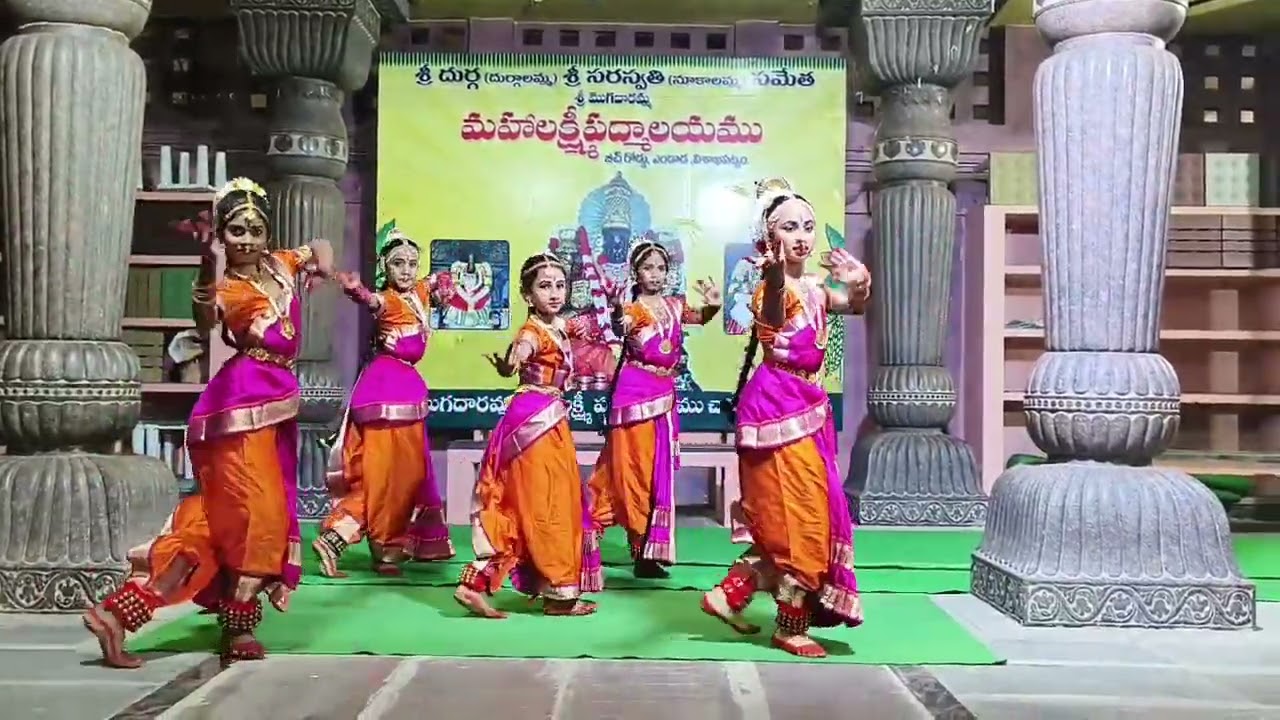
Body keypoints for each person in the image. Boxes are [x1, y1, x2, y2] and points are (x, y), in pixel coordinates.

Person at [82, 177, 336, 668]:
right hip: (238, 412)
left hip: (274, 411)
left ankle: (126, 616)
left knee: (227, 526)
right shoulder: (225, 288)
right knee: (256, 522)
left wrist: (322, 266)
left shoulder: (282, 265)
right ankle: (231, 627)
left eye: (255, 229)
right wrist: (204, 271)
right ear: (221, 234)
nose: (246, 239)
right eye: (236, 230)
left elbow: (322, 245)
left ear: (268, 233)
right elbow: (203, 318)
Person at [700, 178, 871, 658]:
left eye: (808, 227)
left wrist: (859, 279)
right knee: (798, 521)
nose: (801, 236)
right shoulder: (767, 289)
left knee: (801, 515)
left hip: (807, 408)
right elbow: (773, 317)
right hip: (775, 407)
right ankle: (789, 626)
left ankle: (729, 593)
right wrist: (775, 276)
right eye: (789, 227)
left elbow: (853, 305)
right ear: (768, 235)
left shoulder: (815, 287)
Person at [453, 252, 605, 618]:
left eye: (559, 285)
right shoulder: (532, 332)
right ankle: (555, 593)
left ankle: (519, 588)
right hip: (534, 423)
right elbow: (521, 351)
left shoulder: (557, 326)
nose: (554, 293)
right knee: (545, 505)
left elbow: (580, 331)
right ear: (526, 295)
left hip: (548, 419)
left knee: (534, 505)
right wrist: (511, 362)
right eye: (544, 286)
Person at [314, 227, 455, 577]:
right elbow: (370, 301)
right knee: (387, 478)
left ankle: (386, 551)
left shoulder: (418, 292)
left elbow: (440, 285)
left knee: (402, 479)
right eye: (397, 264)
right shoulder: (387, 299)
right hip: (387, 389)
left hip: (404, 388)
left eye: (411, 263)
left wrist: (445, 286)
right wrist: (356, 290)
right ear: (385, 268)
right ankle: (338, 537)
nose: (406, 271)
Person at [588, 240, 721, 578]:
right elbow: (619, 325)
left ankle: (649, 550)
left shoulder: (675, 306)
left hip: (664, 396)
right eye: (649, 268)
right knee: (631, 473)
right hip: (634, 396)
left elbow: (700, 317)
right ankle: (625, 544)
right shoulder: (633, 310)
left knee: (654, 475)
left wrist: (714, 306)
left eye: (661, 268)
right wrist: (617, 310)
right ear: (636, 272)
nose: (656, 274)